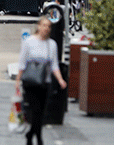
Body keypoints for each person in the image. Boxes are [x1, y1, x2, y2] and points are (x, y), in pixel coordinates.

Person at [16, 16, 67, 145]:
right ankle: (38, 139)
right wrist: (18, 81)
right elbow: (22, 62)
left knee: (41, 112)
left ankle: (30, 134)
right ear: (38, 26)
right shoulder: (29, 42)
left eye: (49, 26)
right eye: (44, 25)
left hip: (44, 82)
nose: (46, 29)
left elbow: (54, 65)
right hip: (30, 82)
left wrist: (60, 80)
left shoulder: (52, 44)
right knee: (35, 110)